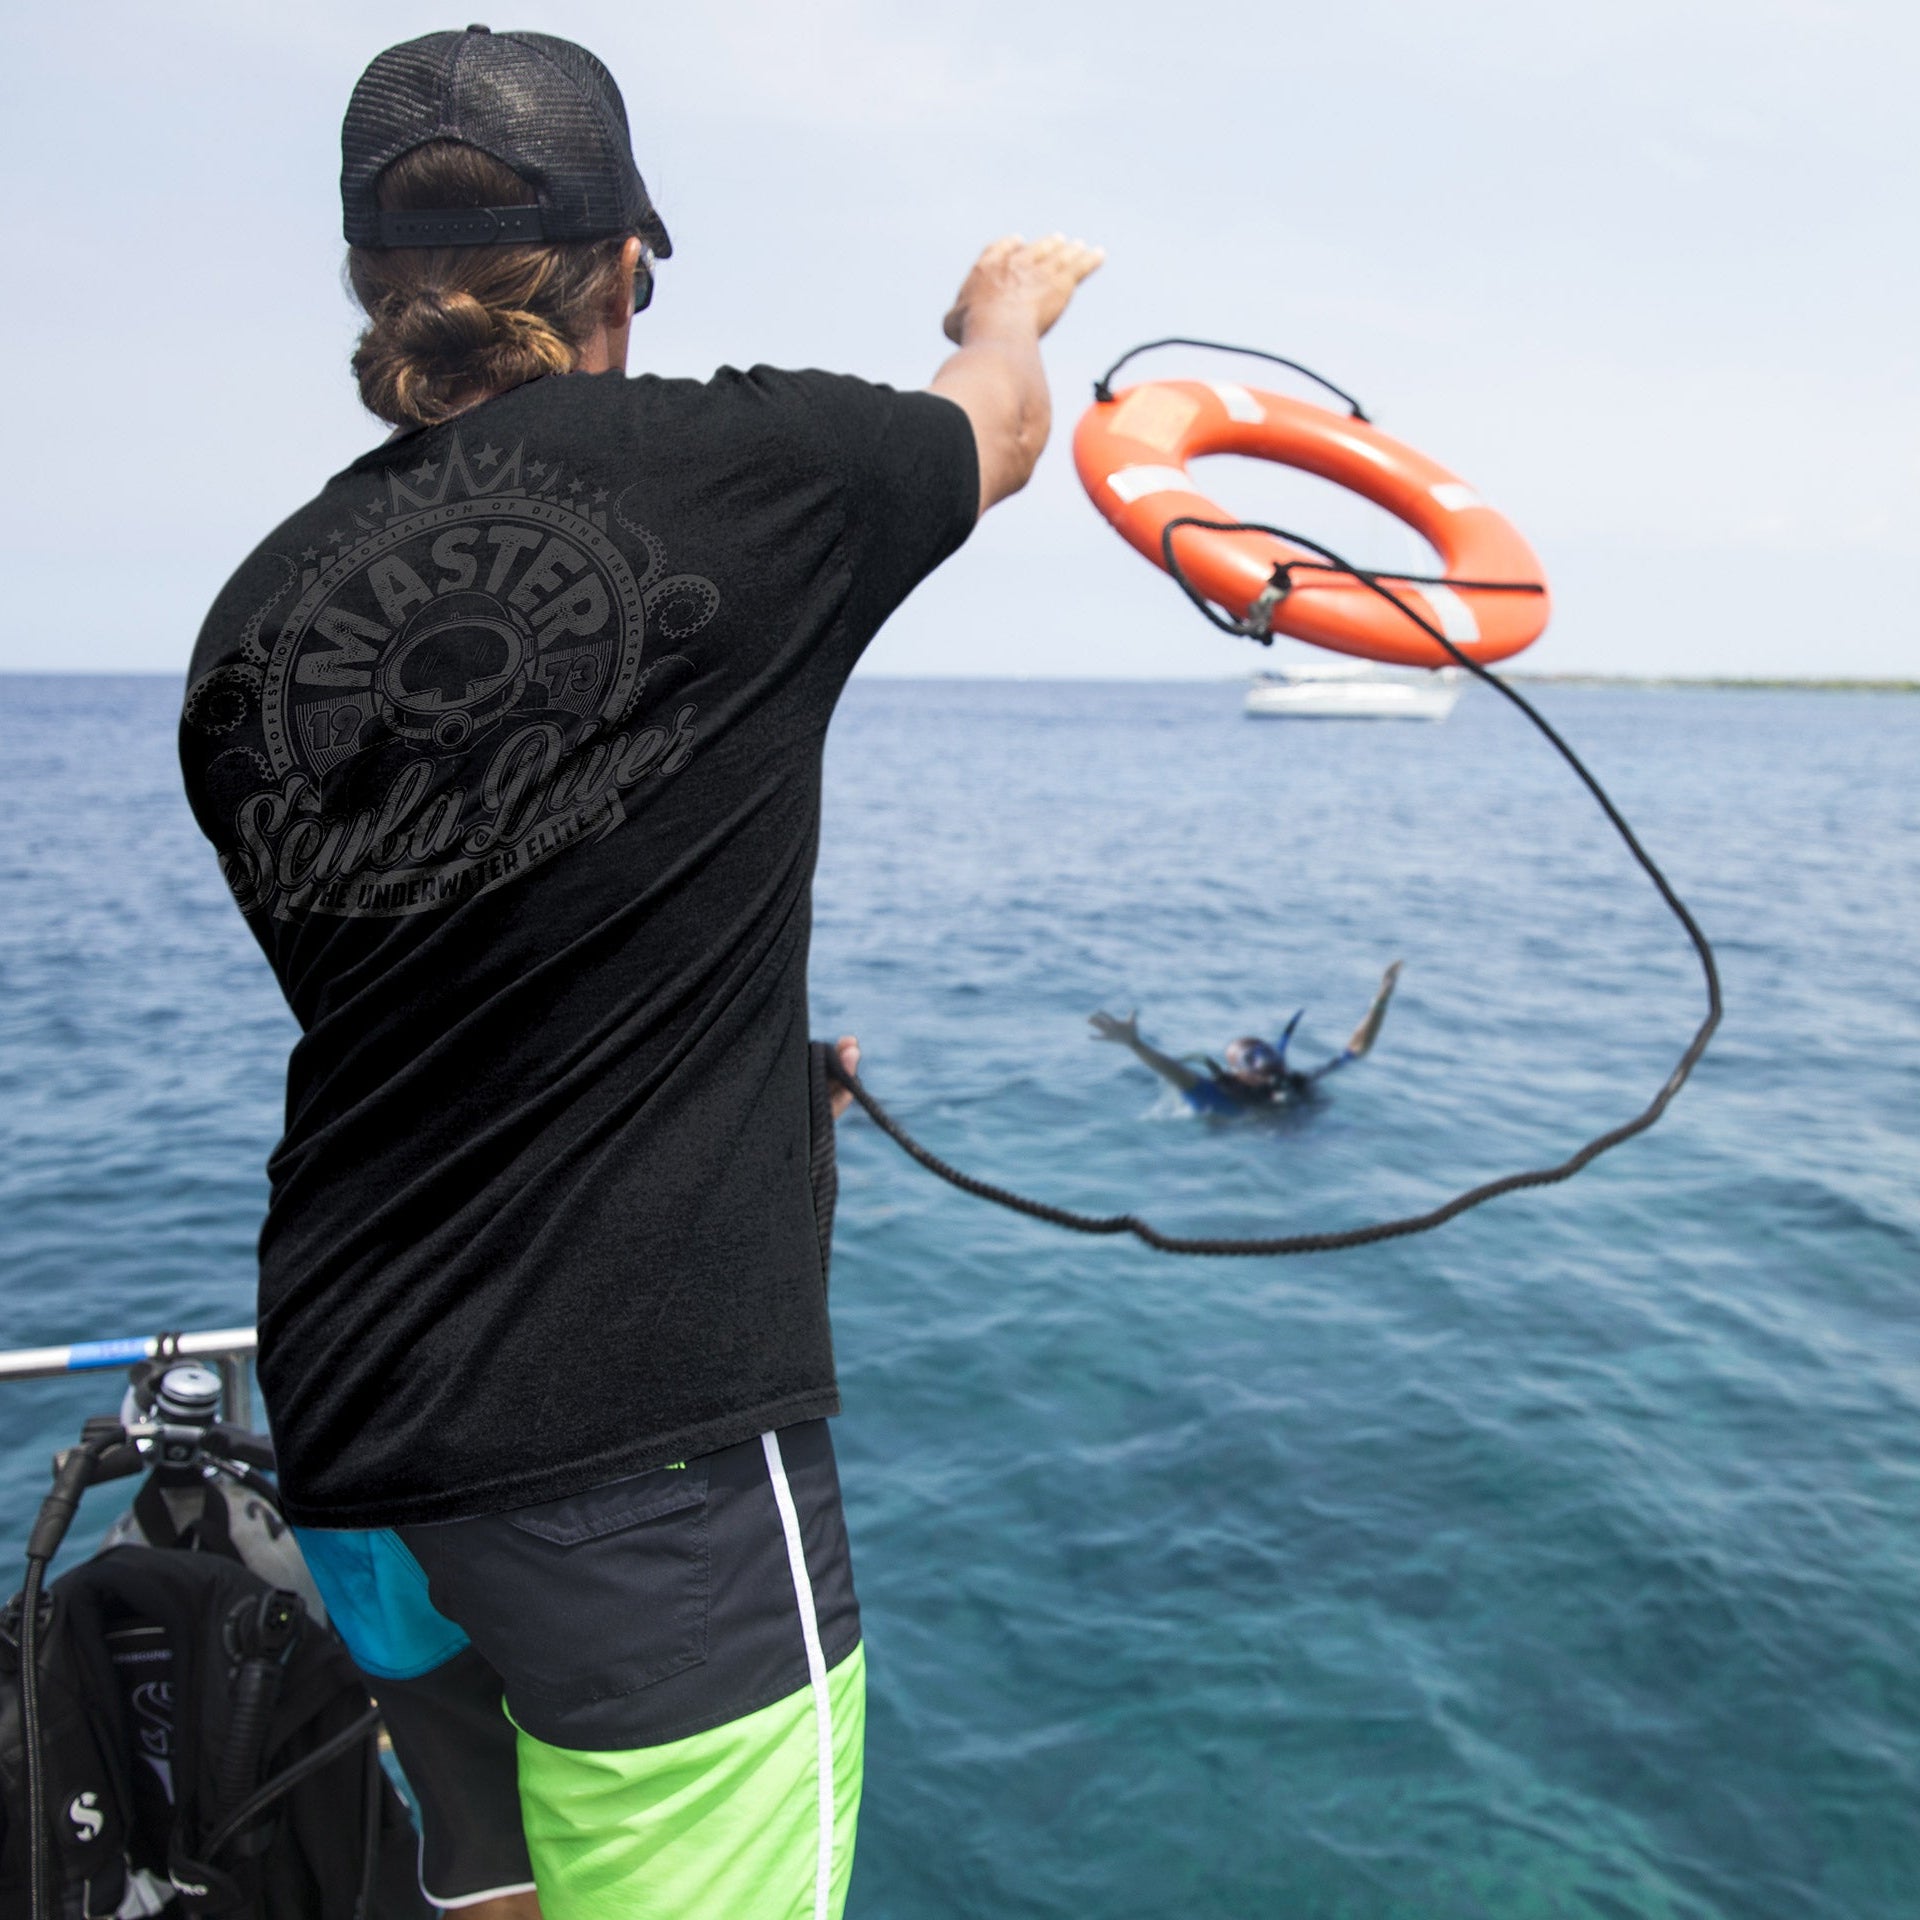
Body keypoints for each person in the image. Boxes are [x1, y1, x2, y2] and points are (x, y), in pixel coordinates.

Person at [176, 25, 1100, 1920]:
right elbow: (999, 422)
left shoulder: (245, 628)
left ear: (371, 285)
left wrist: (746, 1087)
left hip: (351, 1423)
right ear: (621, 274)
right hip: (635, 1459)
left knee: (490, 1887)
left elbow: (456, 979)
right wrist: (1003, 305)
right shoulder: (762, 474)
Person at [1090, 962, 1403, 1114]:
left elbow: (1357, 1049)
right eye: (1250, 1058)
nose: (1263, 1058)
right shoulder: (1220, 1097)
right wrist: (1135, 1044)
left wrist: (1381, 1000)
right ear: (1236, 1072)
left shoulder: (1299, 1081)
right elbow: (1175, 1071)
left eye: (1264, 1050)